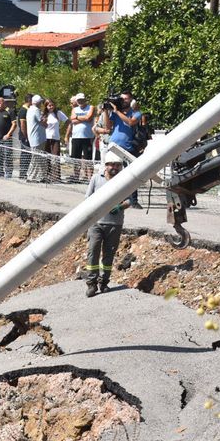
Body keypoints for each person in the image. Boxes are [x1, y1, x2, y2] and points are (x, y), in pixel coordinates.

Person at [84, 152, 131, 297]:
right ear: (106, 165)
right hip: (96, 223)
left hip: (114, 224)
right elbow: (87, 199)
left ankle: (104, 282)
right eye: (113, 165)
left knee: (108, 255)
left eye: (118, 165)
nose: (115, 168)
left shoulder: (125, 180)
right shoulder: (97, 179)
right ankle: (91, 284)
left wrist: (120, 207)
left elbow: (130, 201)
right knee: (93, 252)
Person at [102, 91, 143, 208]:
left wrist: (117, 111)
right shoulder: (115, 113)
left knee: (131, 174)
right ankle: (112, 197)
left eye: (126, 99)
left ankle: (133, 200)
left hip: (128, 148)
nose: (123, 101)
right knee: (112, 172)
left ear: (131, 100)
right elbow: (108, 127)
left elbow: (131, 122)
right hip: (113, 146)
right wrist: (105, 111)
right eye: (122, 99)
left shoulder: (136, 113)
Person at [66, 93, 95, 183]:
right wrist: (83, 118)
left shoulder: (91, 107)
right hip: (76, 136)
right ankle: (76, 177)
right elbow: (72, 120)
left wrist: (77, 117)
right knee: (76, 158)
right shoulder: (74, 109)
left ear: (85, 99)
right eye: (78, 100)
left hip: (87, 137)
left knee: (88, 158)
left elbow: (89, 118)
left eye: (82, 99)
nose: (80, 101)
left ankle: (90, 178)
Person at [43, 98, 68, 183]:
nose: (51, 107)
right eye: (49, 105)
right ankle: (47, 175)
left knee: (56, 157)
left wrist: (62, 130)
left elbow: (68, 121)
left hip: (55, 138)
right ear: (46, 106)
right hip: (46, 138)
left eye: (52, 105)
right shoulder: (43, 114)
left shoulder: (58, 113)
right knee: (47, 157)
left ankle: (56, 177)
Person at [25, 94, 47, 182]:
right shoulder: (36, 110)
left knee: (38, 158)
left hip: (34, 138)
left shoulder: (30, 109)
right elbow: (43, 122)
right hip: (38, 138)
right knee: (37, 158)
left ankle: (39, 176)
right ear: (38, 103)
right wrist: (45, 121)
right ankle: (32, 176)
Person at [17, 93, 33, 179]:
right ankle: (23, 173)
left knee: (27, 155)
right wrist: (26, 136)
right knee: (25, 155)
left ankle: (24, 172)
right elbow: (23, 124)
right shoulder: (24, 110)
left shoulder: (28, 109)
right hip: (24, 136)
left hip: (27, 136)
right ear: (30, 100)